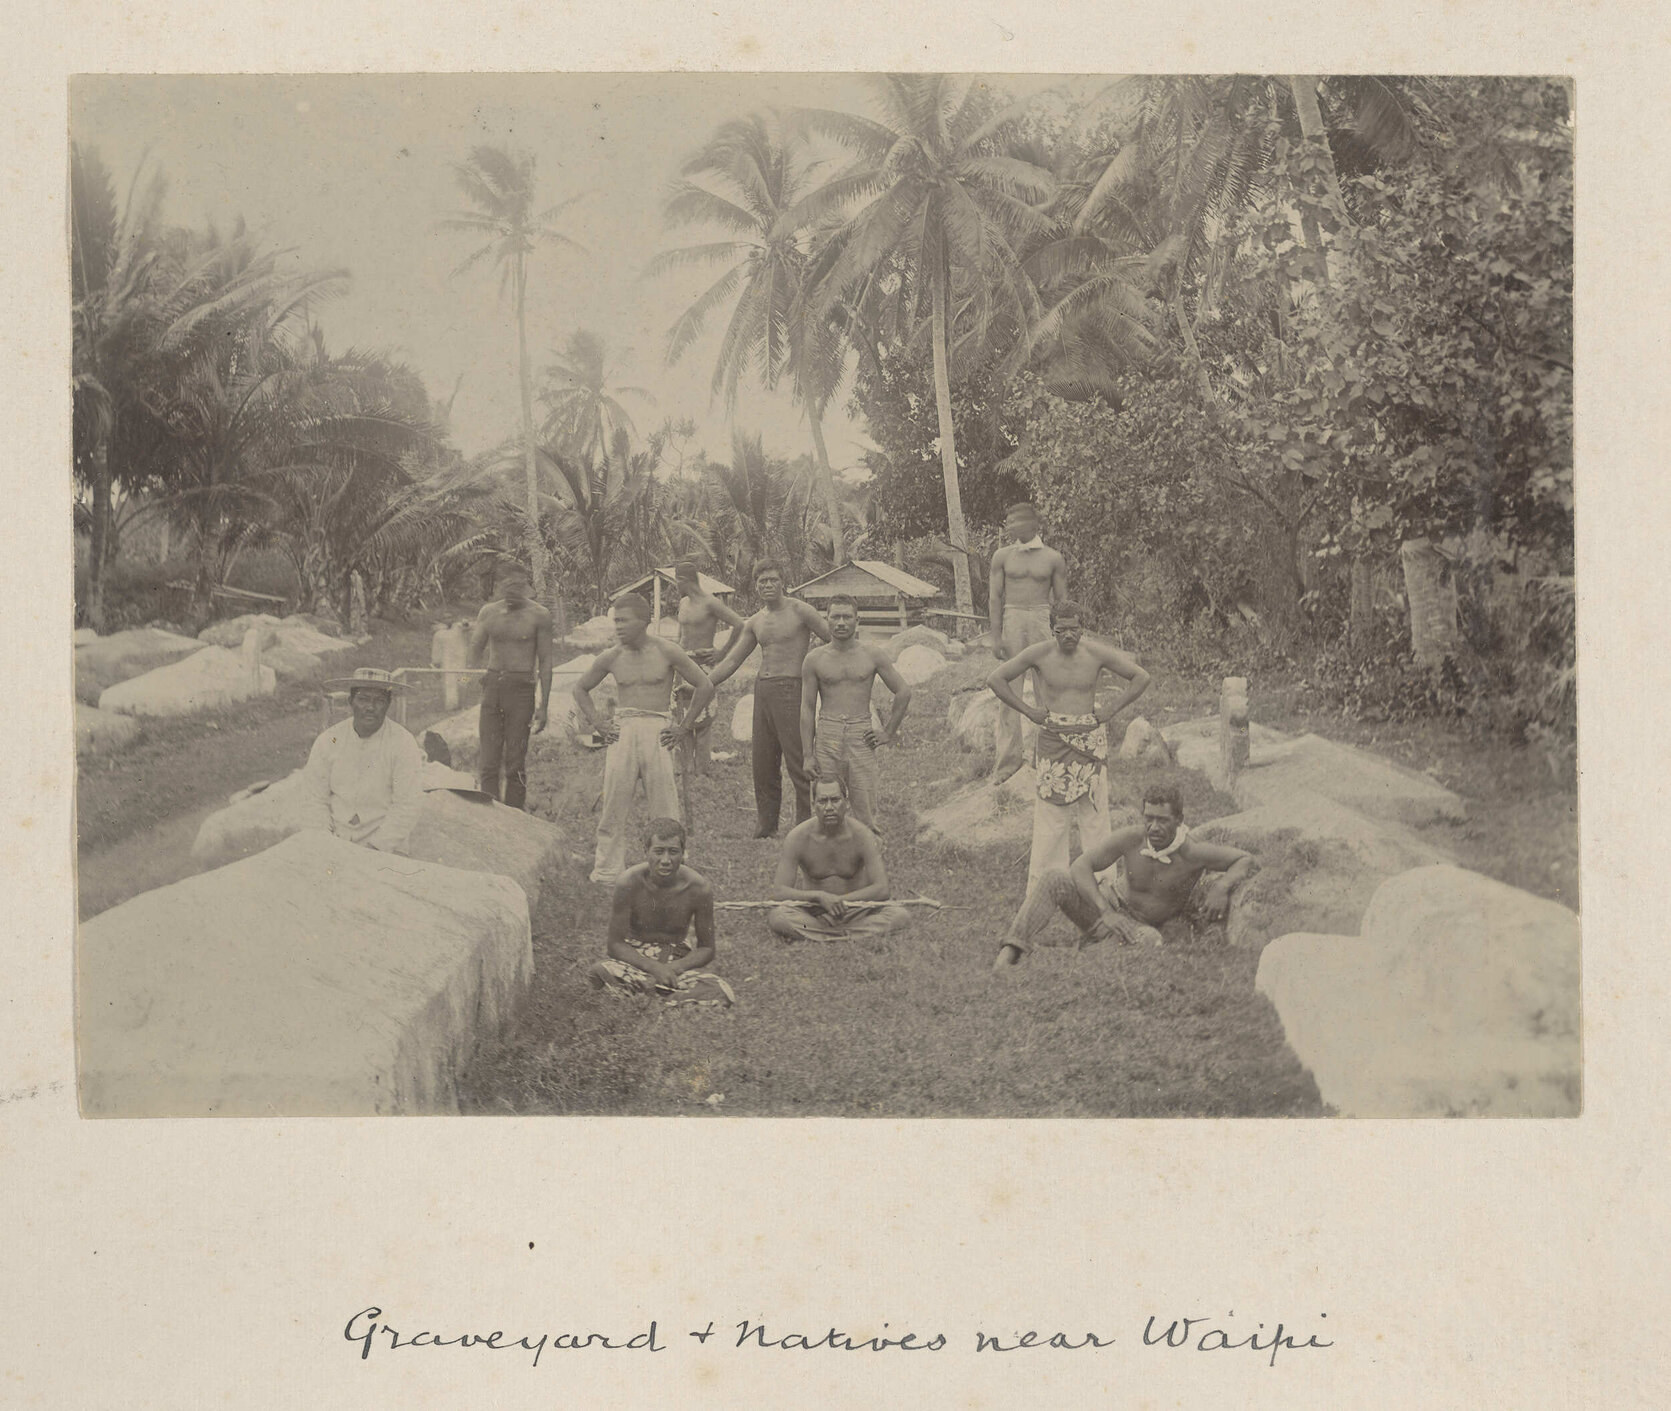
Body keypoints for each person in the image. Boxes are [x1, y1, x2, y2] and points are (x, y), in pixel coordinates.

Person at [994, 784, 1258, 967]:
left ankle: (1063, 956)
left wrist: (1222, 886)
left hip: (1136, 928)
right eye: (1149, 818)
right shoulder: (1132, 837)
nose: (1153, 827)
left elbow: (1244, 858)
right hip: (1104, 910)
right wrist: (1105, 911)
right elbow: (1081, 865)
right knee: (1054, 877)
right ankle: (1011, 950)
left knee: (1153, 942)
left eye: (1162, 820)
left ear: (1179, 819)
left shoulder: (1194, 853)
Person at [987, 600, 1151, 890]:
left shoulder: (1096, 653)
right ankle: (1048, 886)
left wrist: (1110, 710)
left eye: (1073, 630)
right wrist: (1028, 711)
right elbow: (996, 679)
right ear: (1052, 630)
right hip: (1053, 738)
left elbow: (1141, 677)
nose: (1068, 636)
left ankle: (1103, 885)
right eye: (1061, 630)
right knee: (1052, 819)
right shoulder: (1039, 653)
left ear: (1082, 629)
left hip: (1090, 738)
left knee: (1095, 815)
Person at [573, 592, 716, 885]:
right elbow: (580, 689)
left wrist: (684, 727)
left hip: (658, 730)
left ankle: (671, 865)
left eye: (625, 621)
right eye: (616, 621)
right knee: (613, 801)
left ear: (645, 621)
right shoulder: (612, 656)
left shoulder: (668, 651)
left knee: (664, 804)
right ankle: (607, 870)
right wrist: (599, 724)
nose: (619, 627)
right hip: (622, 730)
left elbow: (704, 685)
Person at [706, 561, 831, 837]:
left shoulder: (800, 611)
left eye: (773, 580)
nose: (767, 585)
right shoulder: (755, 621)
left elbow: (833, 640)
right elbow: (733, 660)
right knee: (762, 764)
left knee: (799, 761)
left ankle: (806, 825)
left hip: (792, 689)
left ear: (782, 581)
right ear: (756, 585)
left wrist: (818, 676)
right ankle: (766, 825)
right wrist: (704, 684)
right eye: (762, 581)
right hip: (763, 690)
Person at [588, 817, 735, 1007]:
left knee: (722, 990)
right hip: (636, 959)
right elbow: (615, 945)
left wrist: (672, 968)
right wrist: (654, 968)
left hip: (676, 958)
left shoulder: (699, 888)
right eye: (658, 851)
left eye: (673, 852)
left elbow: (707, 948)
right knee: (599, 970)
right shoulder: (628, 883)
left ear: (683, 853)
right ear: (646, 852)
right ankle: (667, 997)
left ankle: (650, 993)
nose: (665, 860)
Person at [800, 593, 912, 831]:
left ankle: (866, 857)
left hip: (861, 734)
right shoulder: (814, 659)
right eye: (835, 617)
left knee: (865, 806)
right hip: (827, 733)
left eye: (847, 617)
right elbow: (808, 708)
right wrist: (808, 754)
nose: (841, 622)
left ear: (857, 620)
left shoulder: (872, 655)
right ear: (826, 619)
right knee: (826, 803)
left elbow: (903, 691)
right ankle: (828, 858)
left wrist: (888, 732)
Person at [766, 775, 913, 942]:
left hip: (857, 910)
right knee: (779, 917)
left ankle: (824, 936)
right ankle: (851, 936)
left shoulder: (862, 835)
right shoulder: (798, 837)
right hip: (816, 912)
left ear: (846, 803)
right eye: (822, 801)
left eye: (835, 800)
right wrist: (819, 897)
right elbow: (779, 891)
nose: (829, 807)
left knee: (900, 915)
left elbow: (882, 889)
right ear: (814, 805)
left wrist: (839, 901)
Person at [299, 667, 425, 854]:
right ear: (351, 701)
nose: (370, 707)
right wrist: (324, 840)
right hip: (334, 840)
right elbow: (315, 799)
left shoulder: (403, 743)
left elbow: (407, 805)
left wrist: (376, 847)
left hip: (384, 846)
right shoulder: (329, 740)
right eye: (363, 699)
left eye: (379, 700)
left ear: (389, 704)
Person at [988, 502, 1069, 784]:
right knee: (1009, 691)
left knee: (1047, 689)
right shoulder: (1002, 557)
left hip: (1041, 617)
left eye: (1014, 521)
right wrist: (996, 635)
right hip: (1012, 617)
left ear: (1032, 524)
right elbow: (995, 597)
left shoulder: (1053, 558)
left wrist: (1064, 638)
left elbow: (1062, 602)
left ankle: (1047, 756)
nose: (1008, 526)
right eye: (1007, 520)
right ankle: (1008, 762)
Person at [466, 563, 553, 810]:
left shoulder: (539, 615)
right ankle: (489, 817)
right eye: (507, 586)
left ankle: (515, 816)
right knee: (488, 761)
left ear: (526, 585)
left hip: (522, 689)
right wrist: (470, 681)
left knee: (515, 762)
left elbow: (546, 662)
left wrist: (543, 706)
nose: (512, 591)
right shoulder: (488, 613)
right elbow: (474, 650)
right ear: (498, 586)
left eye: (518, 586)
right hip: (493, 687)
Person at [672, 560, 746, 776]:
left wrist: (721, 653)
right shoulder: (683, 603)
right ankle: (685, 767)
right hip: (682, 663)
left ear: (683, 580)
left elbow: (739, 624)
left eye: (676, 581)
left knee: (703, 715)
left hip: (703, 664)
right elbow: (680, 633)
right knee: (681, 712)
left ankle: (702, 768)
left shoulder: (710, 602)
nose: (675, 586)